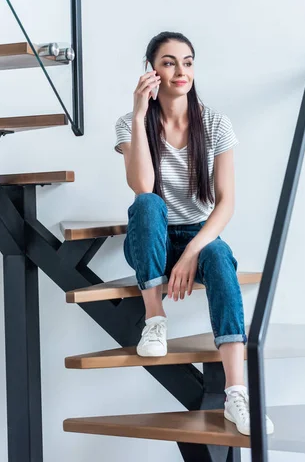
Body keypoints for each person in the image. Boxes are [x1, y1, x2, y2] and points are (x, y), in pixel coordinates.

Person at [114, 31, 273, 436]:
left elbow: (226, 204)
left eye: (187, 61)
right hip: (151, 240)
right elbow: (143, 187)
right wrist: (136, 115)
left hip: (197, 239)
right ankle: (154, 317)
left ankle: (237, 394)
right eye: (169, 62)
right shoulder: (129, 123)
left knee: (219, 257)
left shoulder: (216, 123)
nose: (180, 70)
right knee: (148, 205)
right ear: (152, 70)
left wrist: (191, 253)